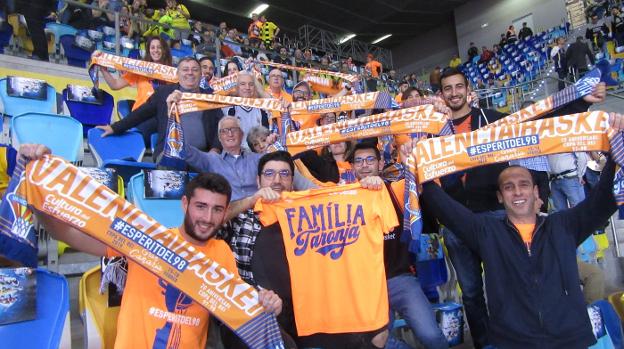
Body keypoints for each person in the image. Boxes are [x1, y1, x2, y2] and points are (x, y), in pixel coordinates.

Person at [23, 143, 283, 349]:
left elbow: (238, 306)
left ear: (226, 211)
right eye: (200, 207)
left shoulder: (222, 253)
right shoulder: (147, 239)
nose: (207, 218)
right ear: (184, 204)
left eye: (217, 210)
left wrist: (266, 303)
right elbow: (67, 233)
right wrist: (38, 194)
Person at [413, 113, 624, 347]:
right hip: (513, 342)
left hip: (570, 339)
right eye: (509, 187)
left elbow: (607, 197)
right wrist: (419, 166)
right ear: (500, 197)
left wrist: (616, 150)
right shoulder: (486, 232)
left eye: (524, 185)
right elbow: (443, 206)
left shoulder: (564, 225)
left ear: (536, 193)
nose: (518, 192)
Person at [437, 67, 606, 348]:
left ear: (468, 89)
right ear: (441, 94)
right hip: (458, 224)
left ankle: (514, 338)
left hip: (495, 218)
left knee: (508, 287)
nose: (454, 93)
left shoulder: (490, 120)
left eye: (458, 87)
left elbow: (538, 124)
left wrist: (580, 102)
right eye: (447, 88)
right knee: (470, 293)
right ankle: (484, 344)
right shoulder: (437, 134)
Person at [348, 143, 450, 349]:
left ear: (381, 163)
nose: (364, 165)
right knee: (376, 343)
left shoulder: (395, 190)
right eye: (358, 161)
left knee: (431, 336)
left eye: (370, 160)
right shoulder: (345, 199)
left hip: (401, 279)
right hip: (366, 286)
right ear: (352, 167)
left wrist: (407, 160)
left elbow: (419, 179)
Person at [97, 57, 223, 162]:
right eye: (185, 69)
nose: (190, 73)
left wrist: (216, 149)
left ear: (200, 74)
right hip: (169, 154)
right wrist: (115, 127)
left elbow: (222, 124)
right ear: (177, 74)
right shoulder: (163, 93)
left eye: (195, 70)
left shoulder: (209, 97)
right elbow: (140, 113)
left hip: (202, 156)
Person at [99, 36, 173, 112]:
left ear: (164, 50)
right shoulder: (140, 68)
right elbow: (115, 85)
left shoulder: (172, 74)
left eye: (159, 47)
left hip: (160, 115)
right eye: (152, 48)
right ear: (149, 51)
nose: (156, 50)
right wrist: (103, 69)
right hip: (139, 114)